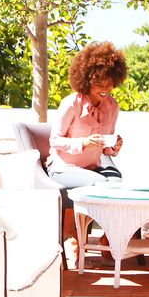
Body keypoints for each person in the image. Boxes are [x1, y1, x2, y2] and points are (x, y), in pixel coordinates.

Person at [47, 41, 128, 189]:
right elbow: (54, 141)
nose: (105, 88)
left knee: (117, 184)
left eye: (109, 82)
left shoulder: (113, 107)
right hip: (63, 168)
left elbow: (104, 149)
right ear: (87, 80)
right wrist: (83, 143)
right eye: (99, 83)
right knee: (100, 184)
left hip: (93, 169)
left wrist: (114, 146)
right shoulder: (71, 104)